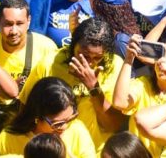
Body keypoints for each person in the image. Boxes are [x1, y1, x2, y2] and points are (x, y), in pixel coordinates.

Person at [46, 17, 126, 150]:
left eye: (97, 58)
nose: (88, 63)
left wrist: (93, 88)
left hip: (96, 150)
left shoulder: (115, 65)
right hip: (56, 149)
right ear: (73, 44)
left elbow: (113, 125)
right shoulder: (50, 62)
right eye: (84, 55)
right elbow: (29, 110)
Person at [112, 34, 166, 158]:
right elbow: (120, 102)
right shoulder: (143, 84)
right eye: (161, 56)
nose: (163, 63)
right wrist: (128, 60)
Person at [0, 0, 59, 106]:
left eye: (19, 23)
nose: (14, 31)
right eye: (8, 24)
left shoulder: (47, 47)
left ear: (29, 21)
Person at [0, 77, 95, 158]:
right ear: (37, 117)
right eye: (57, 124)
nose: (65, 127)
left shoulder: (76, 128)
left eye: (69, 119)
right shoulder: (9, 139)